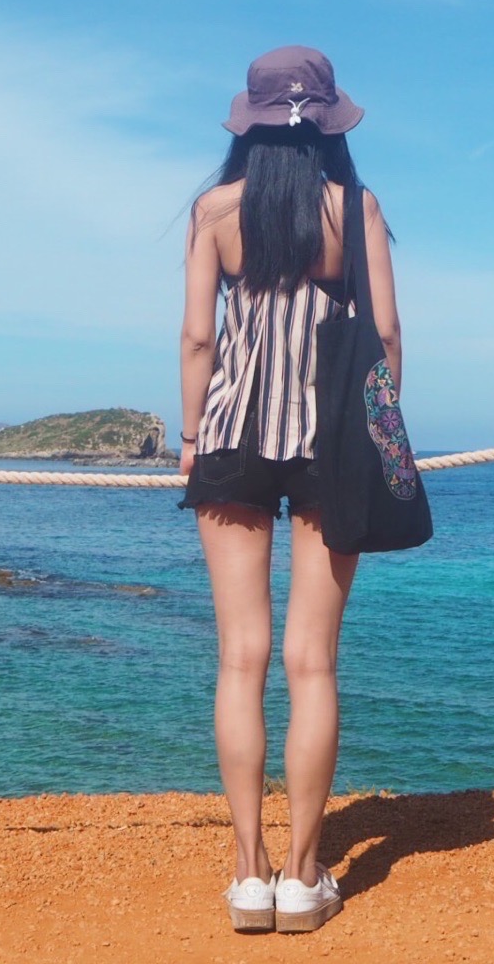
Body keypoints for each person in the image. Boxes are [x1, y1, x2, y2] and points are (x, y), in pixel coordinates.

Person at [178, 45, 401, 934]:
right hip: (334, 441)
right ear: (330, 126)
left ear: (252, 124)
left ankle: (247, 875)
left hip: (231, 434)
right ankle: (306, 879)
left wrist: (192, 439)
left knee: (242, 657)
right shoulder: (359, 208)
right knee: (313, 664)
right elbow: (384, 333)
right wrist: (383, 439)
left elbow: (199, 339)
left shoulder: (215, 210)